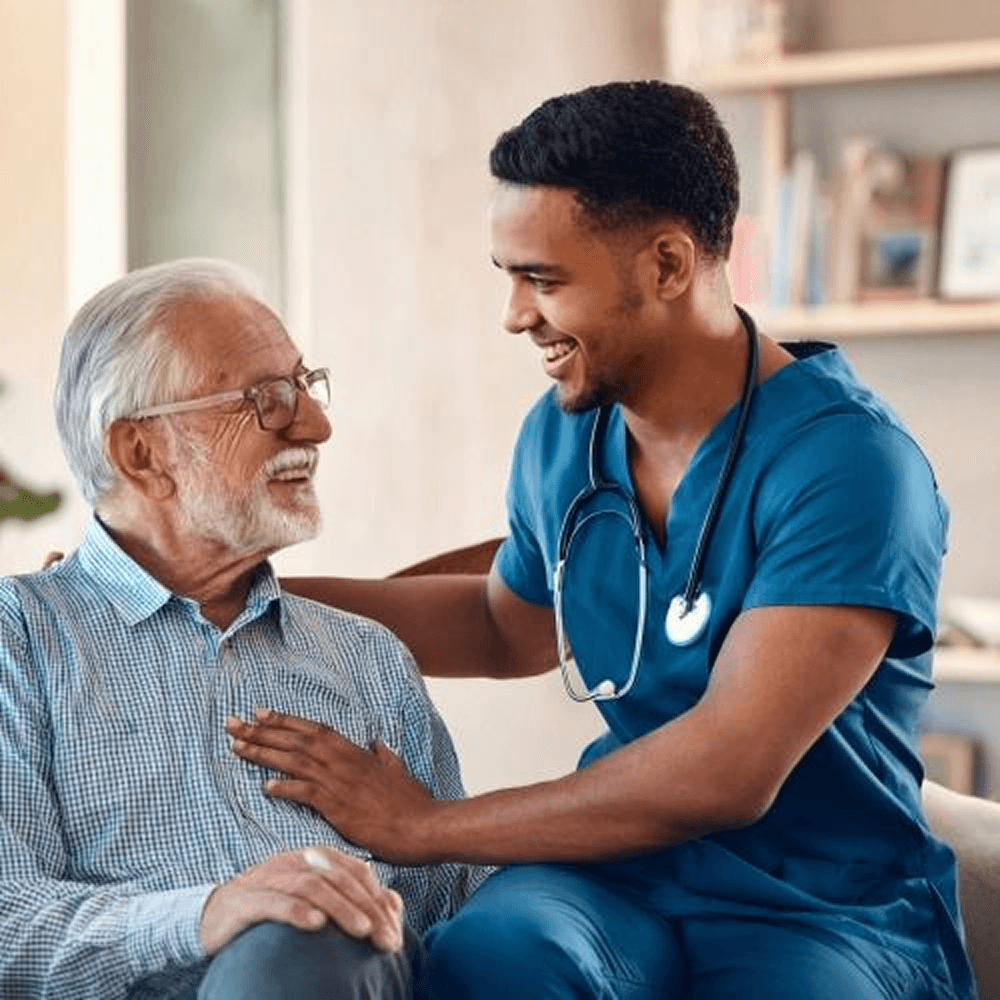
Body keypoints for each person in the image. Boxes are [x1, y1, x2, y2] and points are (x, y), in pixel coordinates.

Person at [230, 82, 974, 999]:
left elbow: (726, 773)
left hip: (820, 908)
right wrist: (241, 591)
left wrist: (423, 826)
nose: (513, 314)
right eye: (508, 274)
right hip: (618, 876)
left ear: (667, 264)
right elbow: (509, 625)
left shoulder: (850, 467)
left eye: (544, 280)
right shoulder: (566, 432)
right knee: (491, 953)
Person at [0, 259, 484, 1000]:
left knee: (320, 938)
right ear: (142, 452)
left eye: (305, 385)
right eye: (266, 399)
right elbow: (8, 921)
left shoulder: (367, 657)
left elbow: (456, 911)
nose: (317, 427)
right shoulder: (21, 640)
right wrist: (205, 915)